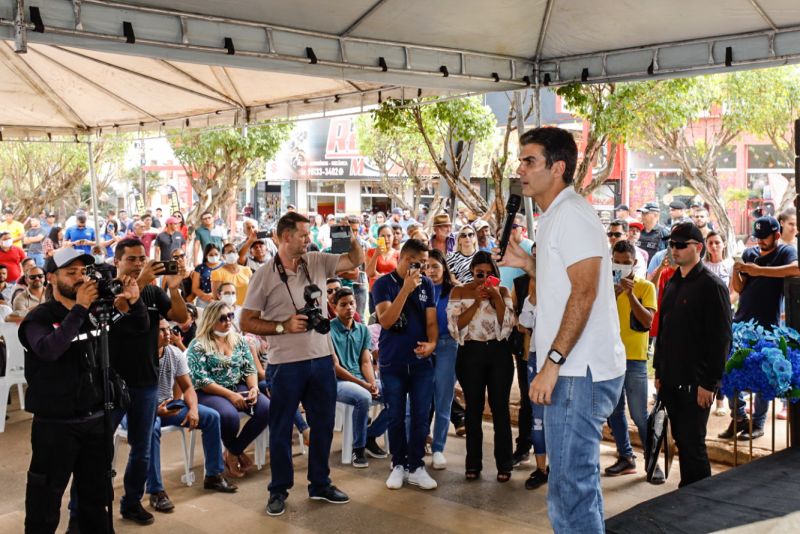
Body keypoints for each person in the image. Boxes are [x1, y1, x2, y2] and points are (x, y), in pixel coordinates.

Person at [500, 127, 625, 533]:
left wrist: (551, 363)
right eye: (520, 160)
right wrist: (530, 266)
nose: (520, 168)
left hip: (577, 372)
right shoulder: (553, 215)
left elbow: (585, 293)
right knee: (570, 484)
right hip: (570, 369)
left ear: (557, 167)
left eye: (529, 160)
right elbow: (569, 283)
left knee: (572, 485)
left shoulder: (572, 213)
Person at [240, 211, 364, 516]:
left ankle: (320, 483)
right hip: (285, 364)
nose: (309, 239)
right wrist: (283, 326)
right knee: (281, 429)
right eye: (304, 235)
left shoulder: (318, 261)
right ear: (286, 237)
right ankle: (278, 490)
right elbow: (246, 321)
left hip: (321, 360)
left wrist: (351, 234)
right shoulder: (264, 275)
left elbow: (355, 260)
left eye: (309, 235)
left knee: (322, 426)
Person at [20, 247, 146, 533]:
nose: (79, 278)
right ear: (51, 278)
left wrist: (134, 302)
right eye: (70, 272)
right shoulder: (38, 318)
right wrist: (78, 308)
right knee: (44, 501)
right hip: (55, 426)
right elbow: (49, 349)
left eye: (82, 272)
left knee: (94, 500)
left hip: (96, 421)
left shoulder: (95, 312)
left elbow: (137, 329)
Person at [107, 237, 189, 526]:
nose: (140, 264)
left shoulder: (154, 292)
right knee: (100, 448)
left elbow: (181, 317)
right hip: (111, 384)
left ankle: (132, 503)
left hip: (145, 382)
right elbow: (115, 313)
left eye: (143, 258)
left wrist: (175, 286)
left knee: (142, 449)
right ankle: (93, 505)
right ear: (116, 261)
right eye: (132, 259)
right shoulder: (107, 290)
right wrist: (139, 282)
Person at [654, 222, 732, 487]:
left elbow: (721, 339)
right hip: (670, 379)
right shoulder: (673, 281)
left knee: (692, 445)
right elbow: (663, 330)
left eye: (680, 245)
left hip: (696, 384)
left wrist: (709, 383)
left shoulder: (712, 286)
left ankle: (697, 501)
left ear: (698, 248)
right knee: (680, 439)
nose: (674, 249)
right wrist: (659, 371)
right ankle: (687, 493)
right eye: (671, 244)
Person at [137, 319, 238, 514]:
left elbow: (188, 387)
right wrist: (155, 410)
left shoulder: (174, 353)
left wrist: (193, 409)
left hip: (169, 405)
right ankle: (156, 491)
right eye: (161, 330)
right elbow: (130, 397)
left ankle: (214, 476)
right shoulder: (139, 357)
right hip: (140, 409)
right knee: (151, 428)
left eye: (169, 329)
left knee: (211, 417)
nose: (167, 334)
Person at [720, 216, 799, 441]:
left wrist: (758, 270)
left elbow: (795, 270)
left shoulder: (785, 252)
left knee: (764, 373)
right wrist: (738, 270)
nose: (761, 242)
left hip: (768, 325)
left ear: (776, 234)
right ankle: (738, 417)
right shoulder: (749, 254)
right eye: (758, 238)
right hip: (742, 321)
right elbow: (740, 287)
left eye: (765, 237)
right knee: (729, 371)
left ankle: (758, 421)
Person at [372, 238, 439, 491]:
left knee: (421, 417)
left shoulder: (428, 285)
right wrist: (406, 289)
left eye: (423, 263)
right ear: (402, 258)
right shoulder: (383, 284)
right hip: (393, 362)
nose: (420, 268)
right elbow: (387, 321)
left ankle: (417, 466)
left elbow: (431, 321)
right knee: (395, 416)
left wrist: (432, 344)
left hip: (421, 362)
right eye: (415, 263)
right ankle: (398, 464)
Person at [447, 251, 516, 481]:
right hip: (471, 353)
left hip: (499, 352)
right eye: (479, 274)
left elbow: (507, 325)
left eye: (489, 274)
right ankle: (473, 464)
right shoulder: (459, 291)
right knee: (473, 411)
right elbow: (455, 326)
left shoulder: (503, 292)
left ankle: (505, 464)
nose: (484, 279)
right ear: (472, 271)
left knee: (500, 410)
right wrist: (476, 301)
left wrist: (495, 297)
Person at [187, 301, 269, 479]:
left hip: (237, 386)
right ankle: (234, 455)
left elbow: (249, 369)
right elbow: (201, 380)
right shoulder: (198, 344)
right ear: (210, 320)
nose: (228, 321)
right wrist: (230, 395)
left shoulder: (238, 340)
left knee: (266, 409)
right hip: (209, 391)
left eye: (230, 316)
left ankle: (233, 451)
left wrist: (253, 387)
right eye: (222, 318)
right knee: (229, 416)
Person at [603, 240, 663, 482]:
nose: (621, 267)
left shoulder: (645, 287)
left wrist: (629, 294)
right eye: (617, 262)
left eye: (626, 263)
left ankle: (652, 461)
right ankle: (626, 456)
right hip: (608, 357)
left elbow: (648, 321)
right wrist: (611, 293)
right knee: (614, 411)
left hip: (635, 359)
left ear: (634, 263)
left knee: (639, 414)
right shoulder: (604, 287)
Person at [330, 287, 389, 467]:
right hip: (338, 382)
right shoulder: (327, 331)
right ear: (334, 307)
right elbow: (335, 367)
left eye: (352, 303)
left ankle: (371, 434)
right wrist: (364, 385)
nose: (349, 308)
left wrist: (372, 383)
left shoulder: (362, 330)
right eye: (343, 305)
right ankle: (358, 448)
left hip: (360, 379)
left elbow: (365, 362)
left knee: (398, 393)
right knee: (363, 397)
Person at [425, 249, 461, 470]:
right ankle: (419, 441)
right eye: (427, 267)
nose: (431, 271)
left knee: (443, 400)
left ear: (444, 268)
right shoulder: (419, 289)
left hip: (448, 345)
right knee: (421, 398)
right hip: (424, 346)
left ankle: (438, 448)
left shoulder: (454, 290)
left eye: (435, 266)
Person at [365, 224, 399, 292]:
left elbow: (399, 275)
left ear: (393, 237)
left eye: (389, 236)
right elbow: (369, 273)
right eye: (383, 236)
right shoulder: (371, 252)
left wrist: (382, 277)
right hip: (375, 290)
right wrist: (376, 255)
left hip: (392, 290)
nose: (386, 239)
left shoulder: (398, 254)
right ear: (378, 238)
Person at [192, 243, 222, 308]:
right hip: (203, 300)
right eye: (211, 255)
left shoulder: (224, 266)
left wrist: (213, 295)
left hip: (221, 300)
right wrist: (205, 296)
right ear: (206, 255)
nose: (214, 256)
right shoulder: (199, 268)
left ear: (219, 254)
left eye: (216, 254)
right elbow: (195, 288)